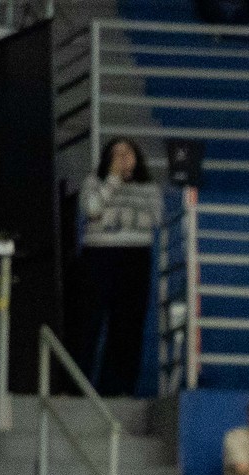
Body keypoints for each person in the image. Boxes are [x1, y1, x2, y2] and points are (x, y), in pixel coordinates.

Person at [71, 137, 162, 398]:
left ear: (137, 158)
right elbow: (91, 208)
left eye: (128, 151)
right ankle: (78, 387)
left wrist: (110, 214)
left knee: (128, 326)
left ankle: (117, 389)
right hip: (98, 255)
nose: (122, 156)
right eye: (116, 152)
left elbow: (154, 217)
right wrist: (112, 182)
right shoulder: (94, 181)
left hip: (135, 257)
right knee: (89, 323)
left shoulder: (149, 186)